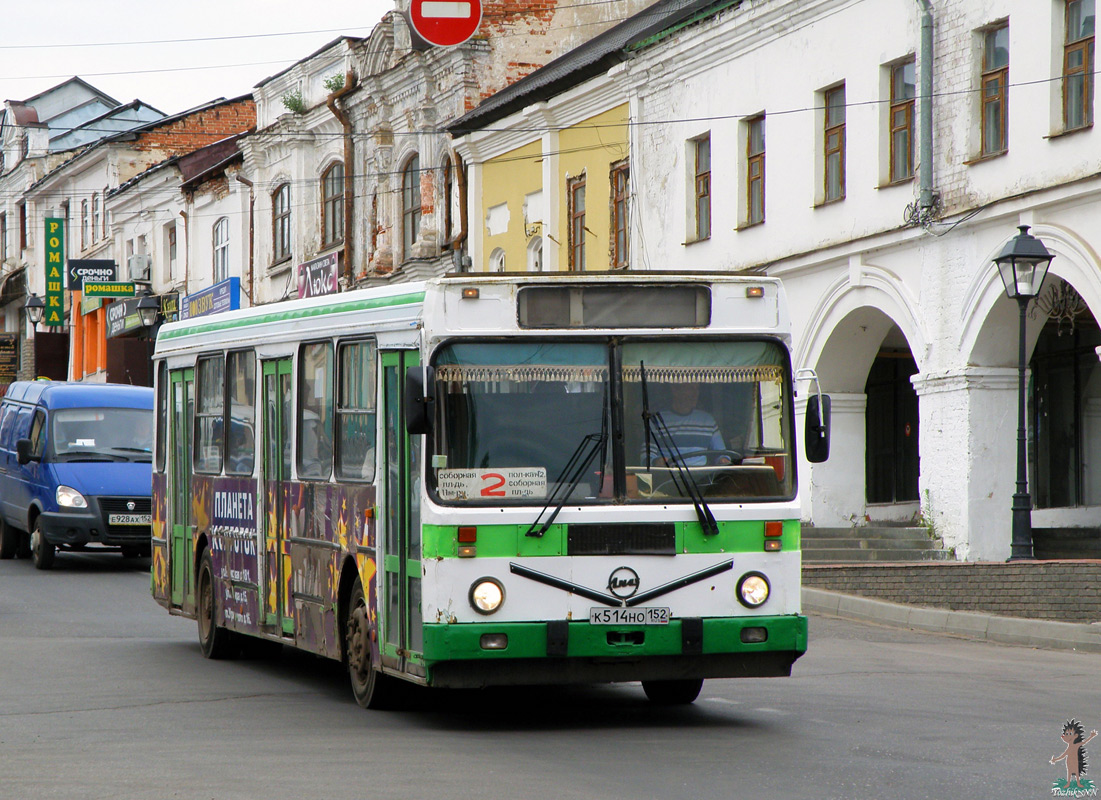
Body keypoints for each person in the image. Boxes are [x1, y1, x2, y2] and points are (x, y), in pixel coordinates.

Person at [647, 383, 731, 467]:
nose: (695, 394)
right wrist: (658, 461)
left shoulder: (708, 420)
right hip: (669, 478)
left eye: (697, 389)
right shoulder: (657, 420)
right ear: (675, 390)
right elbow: (647, 456)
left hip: (701, 477)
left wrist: (723, 460)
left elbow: (721, 453)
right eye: (690, 388)